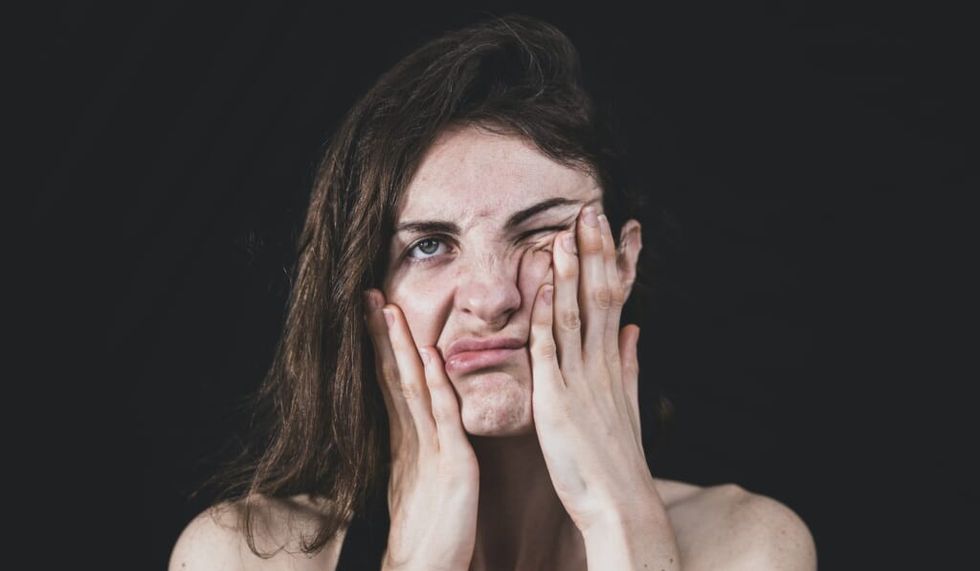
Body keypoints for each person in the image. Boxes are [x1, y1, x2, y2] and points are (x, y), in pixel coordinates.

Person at [168, 13, 816, 571]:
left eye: (538, 235)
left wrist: (625, 526)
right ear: (367, 292)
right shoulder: (245, 555)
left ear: (620, 262)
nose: (491, 295)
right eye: (428, 245)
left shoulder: (748, 545)